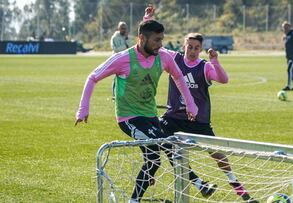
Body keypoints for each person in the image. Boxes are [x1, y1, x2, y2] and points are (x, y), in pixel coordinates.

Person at [75, 19, 199, 203]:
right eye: (156, 40)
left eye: (161, 39)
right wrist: (83, 109)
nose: (160, 44)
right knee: (166, 143)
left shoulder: (163, 56)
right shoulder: (123, 59)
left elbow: (179, 76)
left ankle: (134, 200)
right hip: (129, 118)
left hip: (150, 115)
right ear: (142, 38)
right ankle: (198, 182)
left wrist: (190, 104)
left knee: (154, 159)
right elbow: (93, 77)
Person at [144, 5, 258, 203]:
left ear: (201, 49)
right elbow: (153, 43)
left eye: (197, 48)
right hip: (174, 117)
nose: (193, 51)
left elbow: (223, 79)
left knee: (217, 155)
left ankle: (239, 189)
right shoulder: (173, 58)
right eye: (190, 47)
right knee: (158, 141)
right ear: (183, 46)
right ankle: (163, 176)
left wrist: (215, 61)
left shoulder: (204, 67)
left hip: (198, 120)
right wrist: (148, 18)